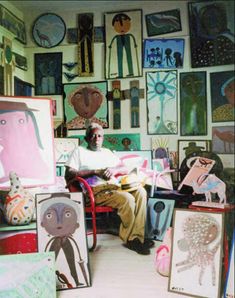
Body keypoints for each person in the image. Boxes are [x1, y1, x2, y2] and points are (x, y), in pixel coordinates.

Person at [65, 123, 154, 255]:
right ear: (86, 138)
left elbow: (124, 168)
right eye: (93, 136)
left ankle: (137, 237)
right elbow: (69, 174)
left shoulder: (107, 152)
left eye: (99, 136)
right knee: (127, 199)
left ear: (103, 138)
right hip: (95, 191)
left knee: (141, 192)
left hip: (114, 187)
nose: (96, 139)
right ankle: (131, 240)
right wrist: (94, 172)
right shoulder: (79, 151)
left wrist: (114, 169)